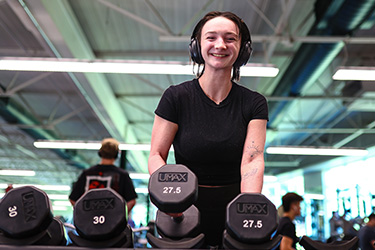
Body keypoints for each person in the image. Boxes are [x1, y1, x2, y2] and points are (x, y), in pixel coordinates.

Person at [148, 11, 268, 248]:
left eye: (230, 38)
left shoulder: (254, 103)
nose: (220, 45)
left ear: (242, 48)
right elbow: (156, 155)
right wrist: (168, 198)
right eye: (211, 37)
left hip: (234, 206)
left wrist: (248, 207)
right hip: (184, 207)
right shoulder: (176, 97)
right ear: (197, 46)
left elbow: (252, 159)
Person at [69, 138, 137, 214]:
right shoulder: (122, 175)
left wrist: (83, 214)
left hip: (89, 222)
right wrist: (119, 216)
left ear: (100, 152)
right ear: (116, 154)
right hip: (112, 222)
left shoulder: (87, 174)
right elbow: (131, 201)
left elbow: (73, 199)